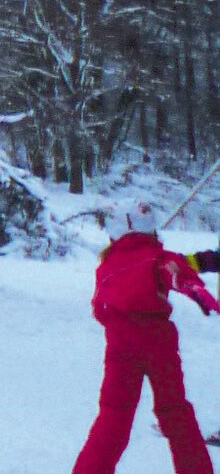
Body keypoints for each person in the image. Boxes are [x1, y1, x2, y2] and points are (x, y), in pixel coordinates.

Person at [76, 202, 218, 473]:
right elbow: (176, 272)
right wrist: (194, 288)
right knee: (175, 412)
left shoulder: (106, 267)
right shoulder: (157, 256)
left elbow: (99, 307)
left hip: (121, 346)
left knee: (114, 416)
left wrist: (119, 322)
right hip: (158, 343)